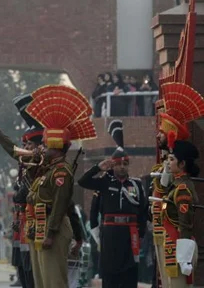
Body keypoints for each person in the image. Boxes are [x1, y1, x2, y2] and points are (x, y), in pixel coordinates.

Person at [24, 85, 97, 288]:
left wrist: (51, 232)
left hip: (53, 229)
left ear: (56, 146)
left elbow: (60, 204)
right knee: (42, 282)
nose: (43, 148)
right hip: (42, 226)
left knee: (54, 282)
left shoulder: (61, 172)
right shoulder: (48, 169)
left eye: (46, 145)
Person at [0, 94, 44, 288]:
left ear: (40, 147)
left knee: (34, 273)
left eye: (29, 145)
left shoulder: (40, 162)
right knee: (24, 270)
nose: (25, 148)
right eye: (24, 144)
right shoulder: (27, 163)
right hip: (23, 221)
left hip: (36, 223)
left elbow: (11, 148)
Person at [77, 119, 147, 288]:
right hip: (109, 235)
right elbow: (82, 182)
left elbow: (144, 210)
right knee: (110, 276)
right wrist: (98, 168)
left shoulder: (136, 184)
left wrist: (141, 233)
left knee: (129, 276)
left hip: (130, 236)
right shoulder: (105, 182)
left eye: (125, 164)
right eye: (118, 164)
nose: (122, 167)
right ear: (112, 165)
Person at [161, 140, 200, 287]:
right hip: (174, 244)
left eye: (172, 160)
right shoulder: (176, 184)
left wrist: (184, 258)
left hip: (180, 246)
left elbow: (185, 223)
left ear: (182, 164)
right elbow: (163, 187)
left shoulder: (182, 188)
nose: (168, 163)